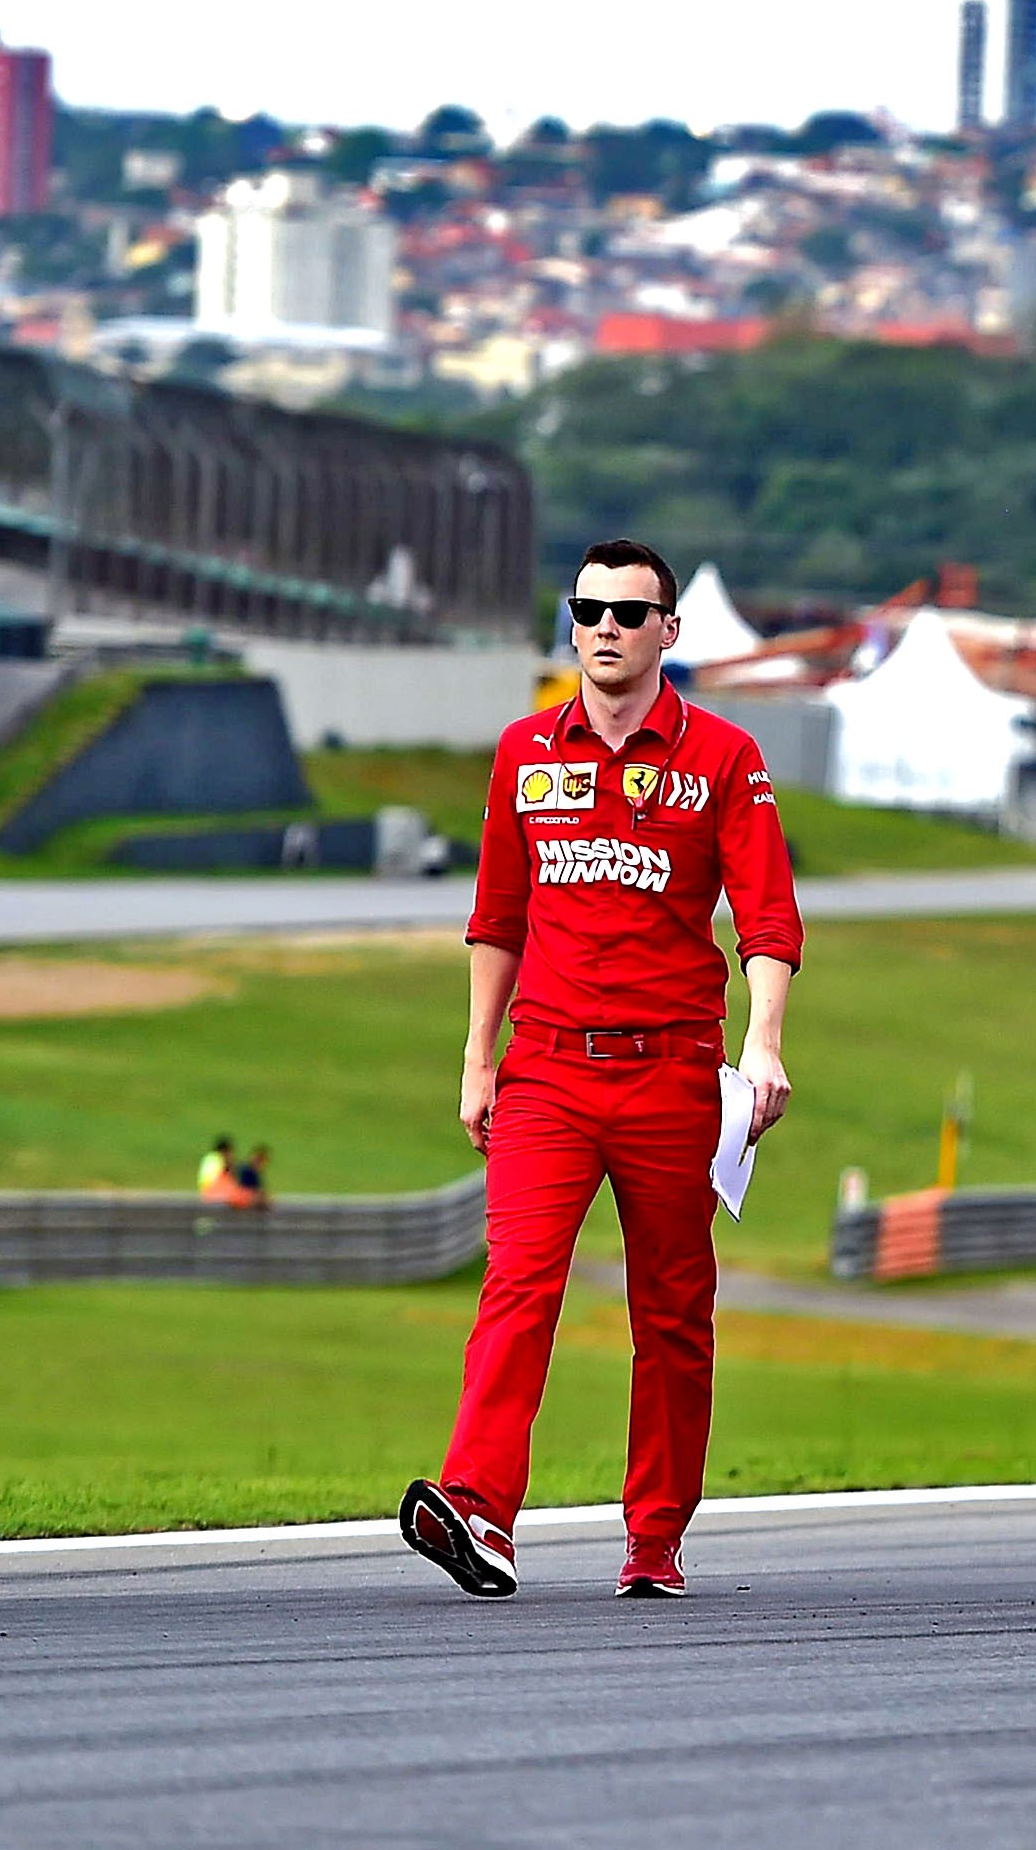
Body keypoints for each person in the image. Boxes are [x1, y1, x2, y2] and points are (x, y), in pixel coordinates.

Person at [400, 537, 800, 1603]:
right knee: (516, 1285)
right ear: (571, 625)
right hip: (546, 1071)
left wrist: (762, 1042)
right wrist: (477, 1060)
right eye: (590, 610)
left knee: (672, 1312)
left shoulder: (725, 756)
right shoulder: (525, 751)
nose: (607, 628)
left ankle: (654, 1539)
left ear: (670, 631)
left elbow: (766, 916)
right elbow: (496, 918)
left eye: (631, 612)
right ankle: (478, 1510)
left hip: (673, 1072)